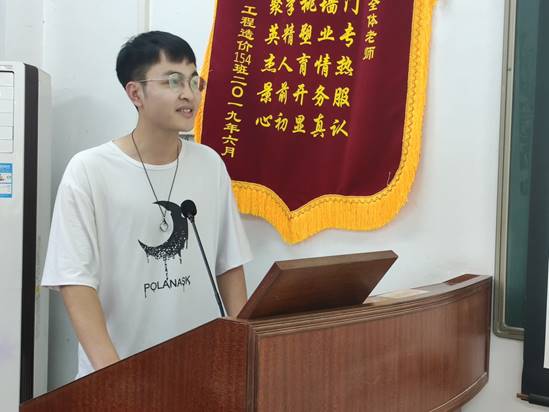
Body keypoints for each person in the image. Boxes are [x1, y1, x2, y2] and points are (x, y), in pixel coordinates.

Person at [41, 31, 252, 379]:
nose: (188, 94)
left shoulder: (209, 164)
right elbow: (75, 282)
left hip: (202, 371)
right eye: (173, 81)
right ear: (135, 93)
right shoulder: (90, 170)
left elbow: (229, 264)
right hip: (122, 374)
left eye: (194, 81)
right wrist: (115, 377)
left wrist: (242, 352)